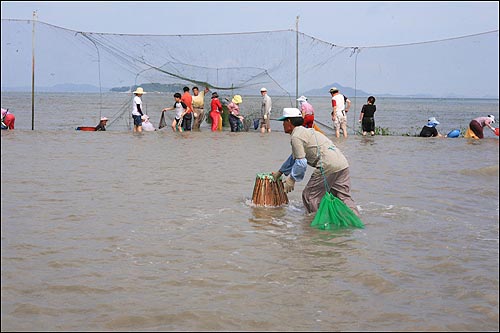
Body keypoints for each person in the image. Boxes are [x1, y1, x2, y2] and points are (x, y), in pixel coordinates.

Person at [272, 107, 360, 216]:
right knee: (343, 196)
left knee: (309, 196)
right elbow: (294, 157)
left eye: (283, 121)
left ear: (289, 121)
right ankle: (356, 219)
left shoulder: (296, 137)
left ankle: (315, 224)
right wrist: (280, 172)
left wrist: (292, 179)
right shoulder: (306, 131)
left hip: (327, 165)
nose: (282, 125)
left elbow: (301, 162)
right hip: (342, 163)